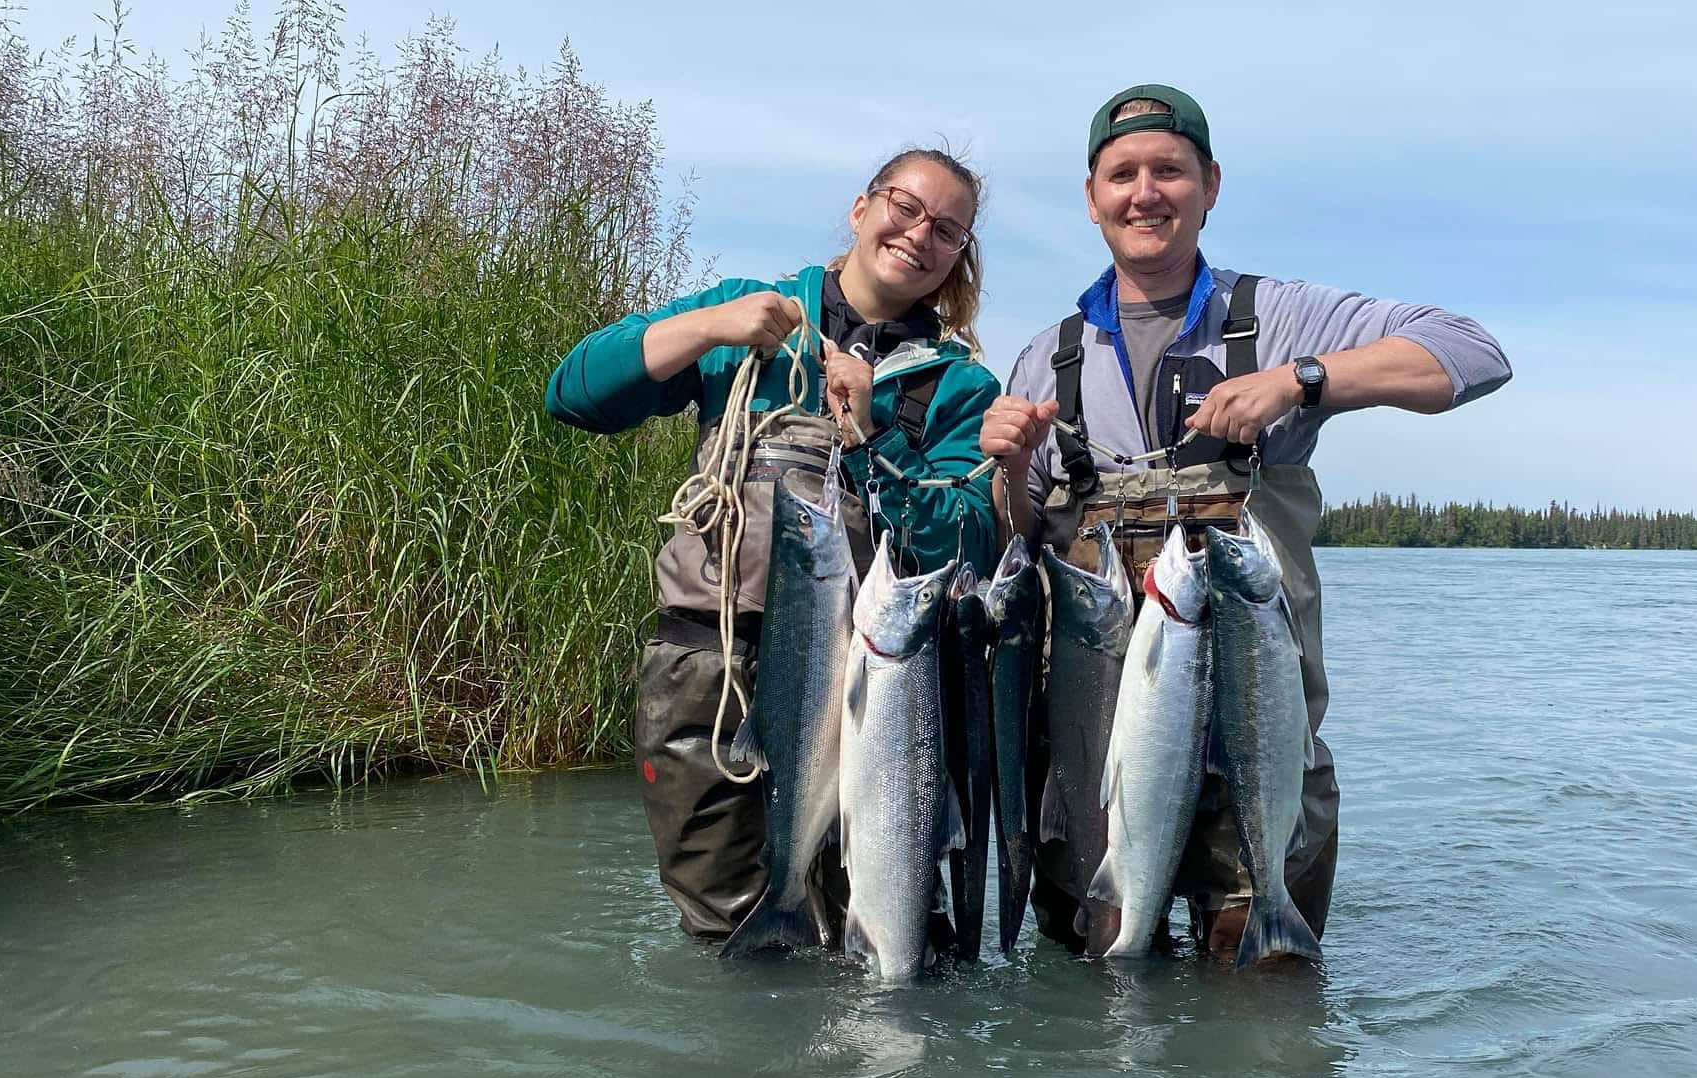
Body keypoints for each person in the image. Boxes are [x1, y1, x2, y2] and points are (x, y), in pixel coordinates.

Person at [980, 86, 1512, 956]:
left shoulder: (1276, 317)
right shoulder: (1047, 355)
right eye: (1122, 174)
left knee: (1262, 998)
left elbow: (1472, 354)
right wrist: (1007, 464)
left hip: (1258, 739)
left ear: (1210, 185)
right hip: (1100, 743)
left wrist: (1301, 379)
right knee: (1102, 974)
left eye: (1168, 170)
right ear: (1091, 198)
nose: (1144, 193)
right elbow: (1021, 541)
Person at [546, 148, 1001, 940]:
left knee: (879, 930)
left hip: (873, 686)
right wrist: (709, 326)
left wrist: (870, 437)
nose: (919, 234)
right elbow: (575, 395)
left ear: (959, 254)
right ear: (861, 208)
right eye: (905, 206)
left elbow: (962, 544)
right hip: (704, 669)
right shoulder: (745, 316)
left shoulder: (961, 385)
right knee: (721, 926)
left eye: (948, 229)